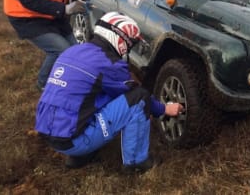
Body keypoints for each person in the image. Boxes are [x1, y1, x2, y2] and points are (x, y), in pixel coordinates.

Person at [34, 11, 184, 172]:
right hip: (72, 140)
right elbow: (135, 92)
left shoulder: (72, 51)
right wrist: (164, 109)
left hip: (48, 132)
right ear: (120, 39)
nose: (128, 49)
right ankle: (137, 162)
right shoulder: (109, 64)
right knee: (139, 98)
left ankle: (79, 157)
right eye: (130, 44)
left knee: (90, 95)